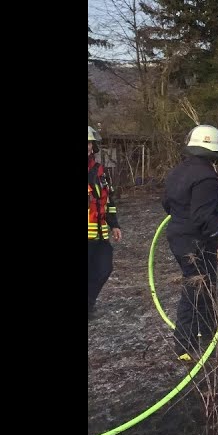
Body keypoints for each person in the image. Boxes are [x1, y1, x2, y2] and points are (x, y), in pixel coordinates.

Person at [162, 125, 218, 360]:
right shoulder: (206, 176)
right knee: (195, 287)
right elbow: (203, 216)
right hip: (197, 242)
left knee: (205, 286)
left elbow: (167, 205)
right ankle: (184, 345)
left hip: (178, 236)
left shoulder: (177, 172)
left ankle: (211, 335)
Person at [88, 126, 123, 320]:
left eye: (89, 143)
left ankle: (89, 302)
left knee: (104, 268)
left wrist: (114, 224)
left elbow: (107, 201)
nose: (87, 146)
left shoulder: (99, 171)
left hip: (99, 234)